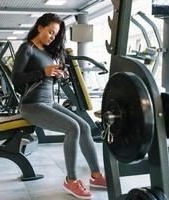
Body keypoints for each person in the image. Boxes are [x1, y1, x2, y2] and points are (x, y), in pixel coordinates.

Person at [12, 13, 106, 199]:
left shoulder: (47, 52)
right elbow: (16, 80)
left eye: (55, 35)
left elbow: (45, 79)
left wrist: (54, 75)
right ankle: (71, 180)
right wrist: (43, 72)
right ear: (40, 27)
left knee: (85, 126)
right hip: (32, 105)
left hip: (49, 102)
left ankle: (96, 176)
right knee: (72, 128)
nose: (52, 37)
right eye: (50, 32)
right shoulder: (27, 48)